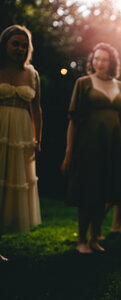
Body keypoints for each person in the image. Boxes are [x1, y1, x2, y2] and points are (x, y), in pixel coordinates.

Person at [60, 42, 121, 253]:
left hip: (113, 146)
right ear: (92, 61)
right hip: (88, 145)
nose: (100, 63)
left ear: (112, 63)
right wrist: (69, 151)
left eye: (105, 59)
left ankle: (94, 238)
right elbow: (73, 120)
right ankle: (82, 239)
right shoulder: (83, 83)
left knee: (105, 190)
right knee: (88, 190)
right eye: (96, 59)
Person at [0, 25, 43, 262]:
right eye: (15, 43)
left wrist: (37, 139)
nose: (19, 48)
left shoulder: (32, 74)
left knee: (8, 186)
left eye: (23, 45)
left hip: (20, 135)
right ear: (4, 44)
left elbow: (37, 110)